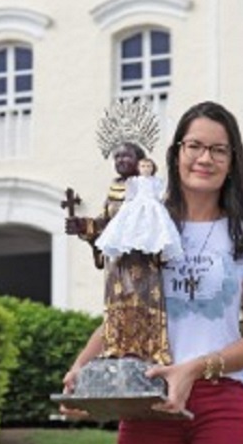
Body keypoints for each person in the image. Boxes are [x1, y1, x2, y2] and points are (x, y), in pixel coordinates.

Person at [63, 101, 243, 444]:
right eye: (195, 145)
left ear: (233, 161)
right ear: (176, 152)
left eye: (218, 150)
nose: (205, 158)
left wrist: (194, 369)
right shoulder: (145, 220)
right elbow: (124, 311)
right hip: (148, 403)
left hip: (223, 406)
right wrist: (82, 369)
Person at [66, 141, 172, 365]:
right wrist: (83, 226)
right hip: (117, 263)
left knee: (141, 300)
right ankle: (116, 346)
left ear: (141, 161)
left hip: (142, 261)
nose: (121, 160)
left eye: (126, 156)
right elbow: (104, 223)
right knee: (118, 302)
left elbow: (159, 219)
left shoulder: (149, 188)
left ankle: (146, 348)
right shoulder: (114, 190)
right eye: (117, 157)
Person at [95, 157, 183, 263]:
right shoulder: (134, 181)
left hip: (153, 206)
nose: (146, 169)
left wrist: (162, 199)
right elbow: (130, 196)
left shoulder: (156, 181)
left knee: (156, 226)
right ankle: (123, 246)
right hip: (137, 205)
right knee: (130, 225)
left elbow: (160, 195)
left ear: (153, 168)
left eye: (148, 166)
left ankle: (156, 249)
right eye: (143, 166)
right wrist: (126, 207)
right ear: (138, 168)